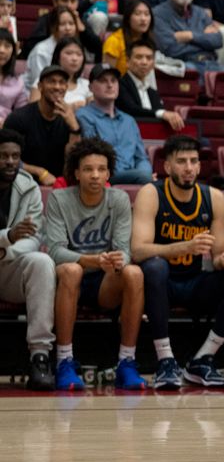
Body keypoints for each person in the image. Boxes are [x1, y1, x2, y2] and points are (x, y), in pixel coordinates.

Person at [130, 135, 224, 389]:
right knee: (155, 266)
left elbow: (219, 256)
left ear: (200, 166)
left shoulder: (213, 197)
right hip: (160, 284)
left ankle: (203, 358)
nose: (189, 168)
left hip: (195, 282)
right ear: (167, 167)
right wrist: (183, 247)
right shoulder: (151, 193)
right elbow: (137, 250)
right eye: (181, 162)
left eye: (193, 161)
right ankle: (165, 360)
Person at [45, 138, 148, 391]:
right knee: (71, 269)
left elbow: (123, 250)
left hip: (105, 280)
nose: (95, 175)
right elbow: (56, 251)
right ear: (77, 173)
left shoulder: (120, 199)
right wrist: (94, 260)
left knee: (134, 272)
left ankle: (127, 362)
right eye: (88, 169)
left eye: (101, 169)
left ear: (109, 173)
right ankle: (64, 362)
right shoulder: (59, 198)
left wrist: (116, 260)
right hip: (70, 281)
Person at [0, 128, 57, 391]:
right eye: (3, 156)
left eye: (15, 156)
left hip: (8, 266)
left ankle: (40, 357)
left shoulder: (28, 186)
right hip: (6, 251)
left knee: (42, 262)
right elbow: (15, 235)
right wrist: (7, 236)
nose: (10, 161)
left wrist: (5, 250)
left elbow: (33, 237)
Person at [4, 65, 81, 186]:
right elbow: (4, 158)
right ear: (40, 87)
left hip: (59, 185)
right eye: (51, 82)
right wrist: (39, 172)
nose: (57, 87)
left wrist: (74, 129)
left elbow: (73, 161)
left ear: (66, 87)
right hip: (20, 182)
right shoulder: (19, 118)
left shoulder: (71, 120)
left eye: (62, 83)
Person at [75, 65, 152, 184]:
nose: (110, 85)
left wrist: (146, 173)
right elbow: (92, 153)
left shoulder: (129, 120)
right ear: (90, 87)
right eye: (103, 81)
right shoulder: (84, 115)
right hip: (103, 175)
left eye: (113, 81)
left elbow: (141, 157)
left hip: (135, 175)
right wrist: (145, 176)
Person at [22, 0, 103, 63]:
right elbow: (29, 48)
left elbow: (97, 49)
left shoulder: (79, 19)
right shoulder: (46, 19)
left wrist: (83, 30)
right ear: (55, 2)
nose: (69, 5)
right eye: (64, 0)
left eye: (73, 1)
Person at [116, 38, 185, 131]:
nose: (144, 62)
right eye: (139, 57)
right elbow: (131, 110)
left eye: (149, 58)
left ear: (153, 64)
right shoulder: (119, 84)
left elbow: (159, 111)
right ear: (127, 62)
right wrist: (163, 113)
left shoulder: (152, 91)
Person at [23, 6, 80, 91]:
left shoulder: (77, 47)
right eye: (62, 24)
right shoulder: (41, 51)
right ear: (53, 27)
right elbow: (39, 86)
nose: (68, 28)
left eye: (71, 24)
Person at [29, 37, 92, 109]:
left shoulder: (86, 85)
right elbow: (33, 112)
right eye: (69, 53)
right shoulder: (43, 81)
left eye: (79, 54)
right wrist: (70, 108)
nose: (74, 58)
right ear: (58, 56)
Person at [102, 0, 154, 74]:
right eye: (137, 14)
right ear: (128, 18)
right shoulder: (114, 41)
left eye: (146, 14)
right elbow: (108, 75)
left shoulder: (149, 40)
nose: (143, 19)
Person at [0, 28, 27, 125]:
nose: (2, 50)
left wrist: (7, 123)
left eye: (7, 46)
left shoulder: (17, 82)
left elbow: (22, 114)